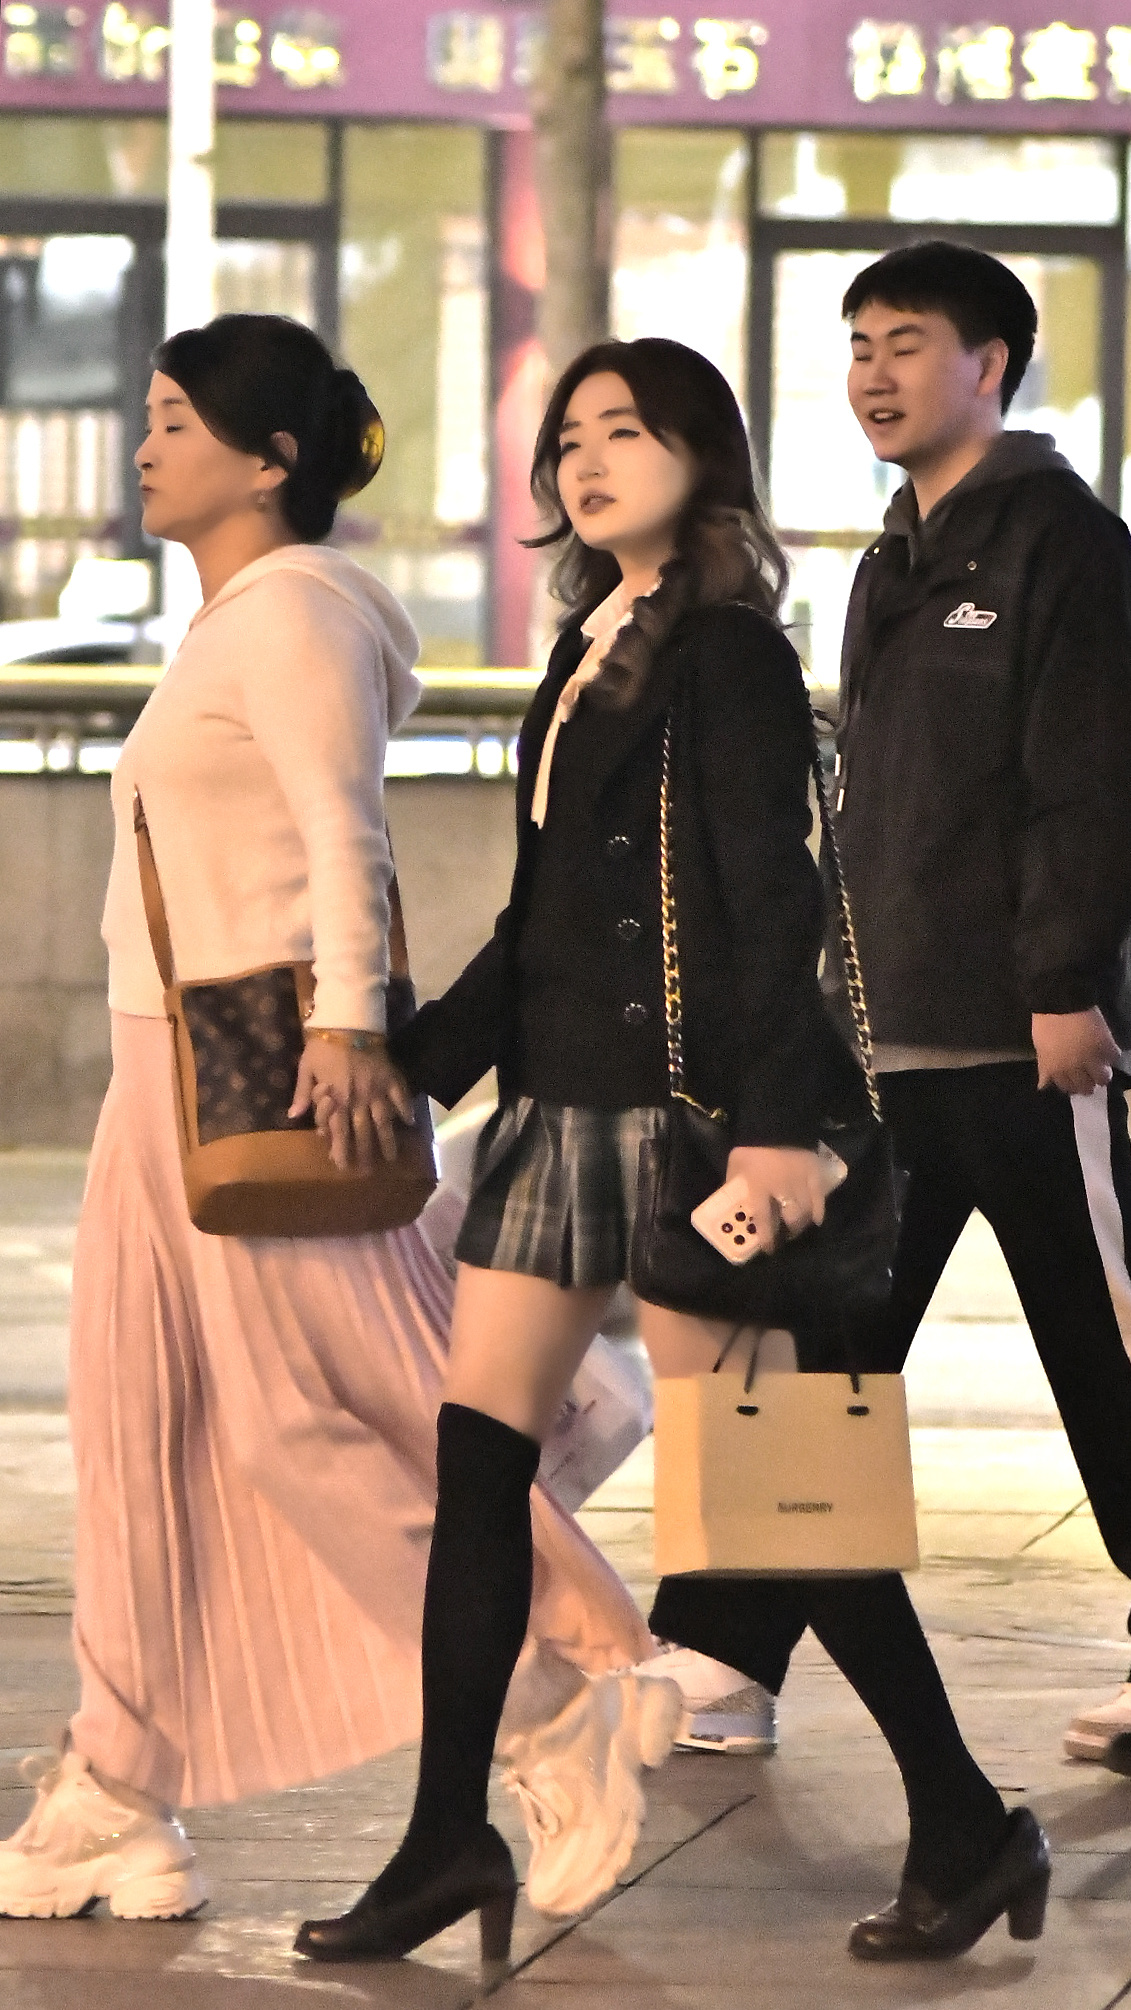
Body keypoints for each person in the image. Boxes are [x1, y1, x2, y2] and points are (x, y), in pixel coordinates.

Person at [295, 335, 1048, 1972]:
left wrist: (775, 1128)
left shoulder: (727, 653)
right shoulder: (590, 644)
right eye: (569, 437)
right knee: (478, 1468)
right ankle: (443, 1836)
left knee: (772, 1499)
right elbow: (545, 916)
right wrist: (416, 1066)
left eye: (625, 432)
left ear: (702, 456)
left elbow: (776, 902)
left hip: (690, 1126)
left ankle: (964, 1815)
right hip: (553, 1120)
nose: (586, 461)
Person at [0, 313, 668, 1924]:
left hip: (257, 1073)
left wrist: (352, 1028)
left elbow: (343, 830)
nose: (145, 444)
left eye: (175, 419)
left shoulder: (296, 610)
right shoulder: (231, 621)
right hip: (165, 1073)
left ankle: (553, 1698)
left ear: (270, 460)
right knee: (138, 1422)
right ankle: (117, 1783)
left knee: (299, 1423)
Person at [661, 241, 1131, 1795]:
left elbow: (1089, 778)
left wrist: (1065, 982)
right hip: (882, 1049)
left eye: (906, 341)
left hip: (1031, 1047)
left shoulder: (1067, 544)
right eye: (858, 342)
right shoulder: (891, 561)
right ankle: (728, 1653)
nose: (873, 370)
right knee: (823, 1355)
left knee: (1105, 1353)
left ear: (991, 363)